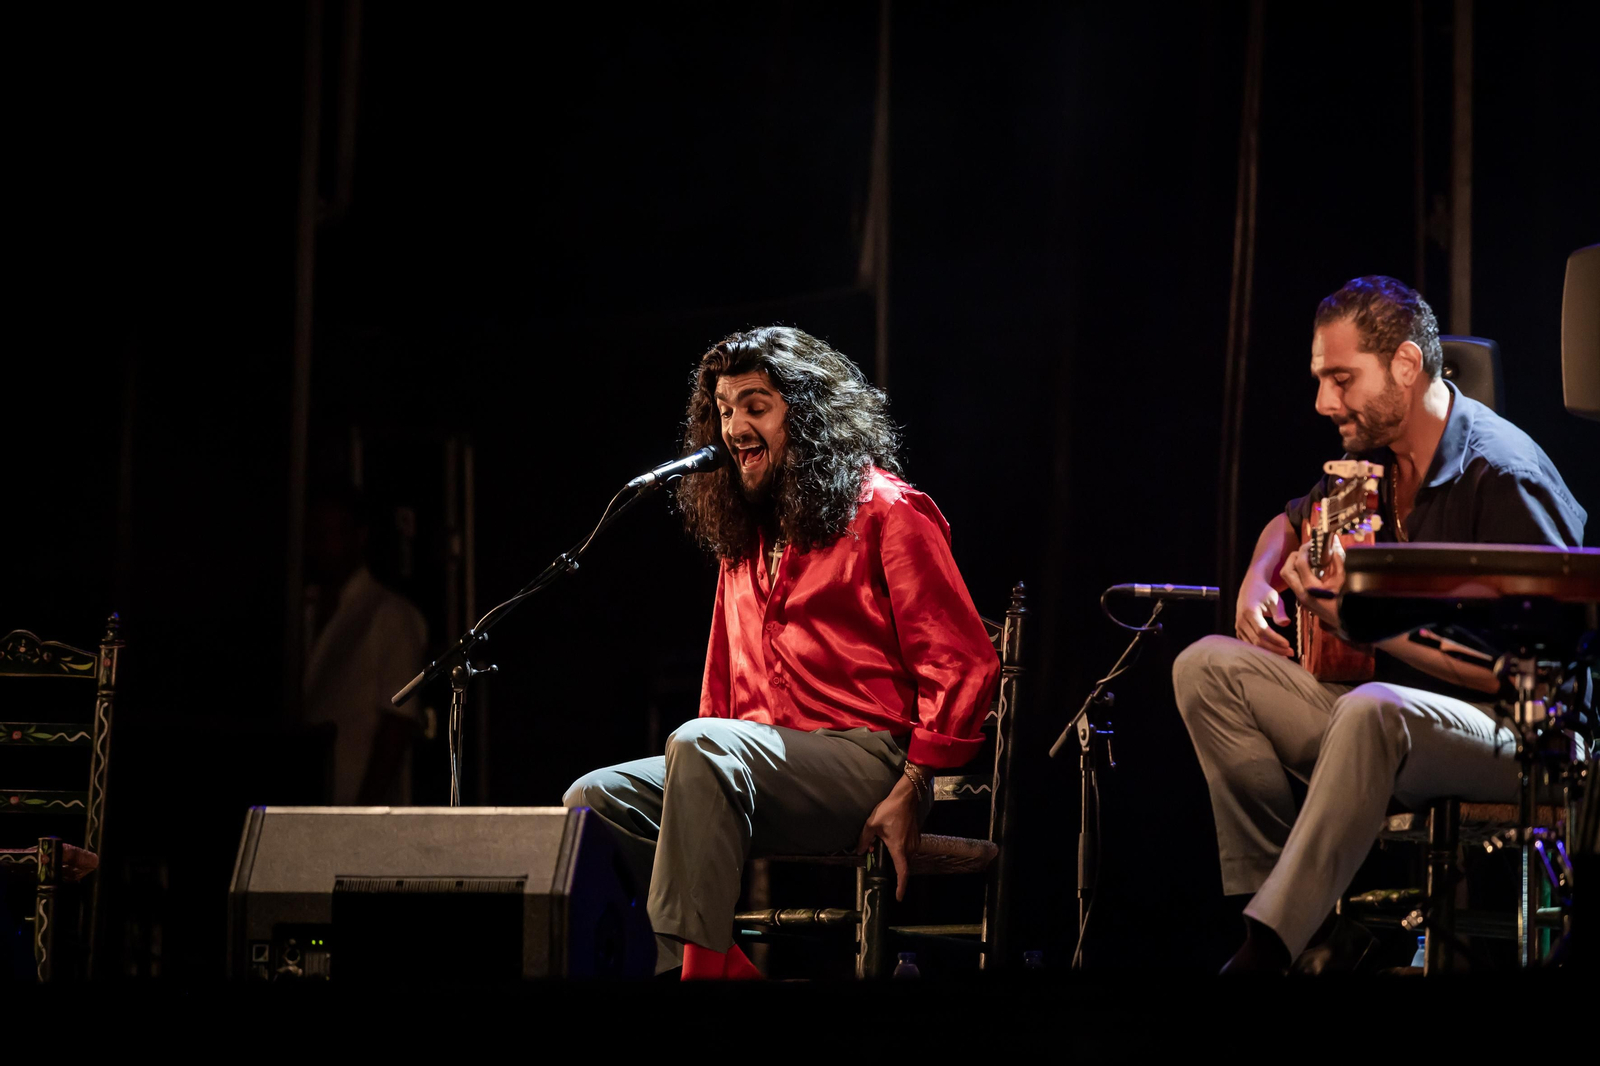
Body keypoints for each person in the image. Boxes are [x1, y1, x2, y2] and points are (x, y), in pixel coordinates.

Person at [1173, 275, 1586, 973]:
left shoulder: (1503, 473)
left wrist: (1373, 629)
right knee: (1206, 667)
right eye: (1319, 378)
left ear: (1404, 365)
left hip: (1519, 735)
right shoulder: (1374, 463)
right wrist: (1256, 577)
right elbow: (1291, 516)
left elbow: (1544, 674)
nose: (1322, 402)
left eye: (1341, 378)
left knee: (1371, 708)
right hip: (1393, 722)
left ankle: (1269, 947)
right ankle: (1313, 924)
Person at [564, 326, 999, 979]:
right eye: (725, 407)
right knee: (593, 801)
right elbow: (719, 698)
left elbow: (965, 661)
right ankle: (704, 964)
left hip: (871, 762)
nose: (735, 425)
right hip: (758, 768)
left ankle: (701, 978)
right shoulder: (746, 537)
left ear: (810, 413)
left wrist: (914, 785)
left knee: (704, 746)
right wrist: (698, 766)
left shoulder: (887, 510)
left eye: (755, 405)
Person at [302, 485, 429, 805]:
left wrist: (363, 811)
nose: (324, 544)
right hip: (308, 802)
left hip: (355, 809)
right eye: (317, 533)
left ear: (359, 536)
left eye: (335, 532)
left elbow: (397, 725)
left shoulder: (390, 615)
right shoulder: (305, 609)